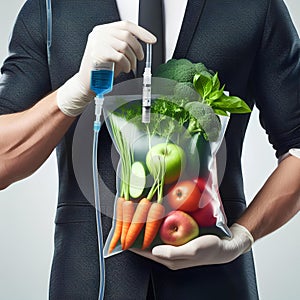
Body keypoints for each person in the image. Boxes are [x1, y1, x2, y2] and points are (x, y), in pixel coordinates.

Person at [0, 0, 299, 299]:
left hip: (218, 285)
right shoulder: (52, 6)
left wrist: (240, 239)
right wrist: (74, 91)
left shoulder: (256, 6)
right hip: (87, 284)